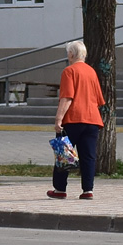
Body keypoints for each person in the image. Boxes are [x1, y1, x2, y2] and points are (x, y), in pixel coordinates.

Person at [48, 40, 105, 200]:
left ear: (71, 54)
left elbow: (67, 97)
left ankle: (60, 189)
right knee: (88, 156)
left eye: (68, 53)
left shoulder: (69, 71)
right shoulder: (92, 72)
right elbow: (99, 100)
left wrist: (58, 119)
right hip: (92, 119)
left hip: (73, 119)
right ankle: (88, 190)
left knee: (63, 153)